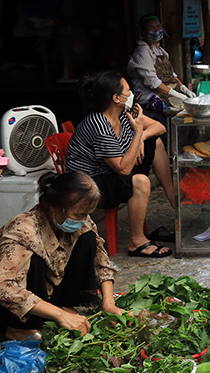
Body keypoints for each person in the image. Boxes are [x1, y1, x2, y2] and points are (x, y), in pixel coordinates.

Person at [0, 171, 124, 340]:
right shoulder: (23, 231)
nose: (83, 219)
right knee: (33, 260)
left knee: (87, 238)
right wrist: (60, 315)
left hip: (48, 291)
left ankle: (63, 306)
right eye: (79, 215)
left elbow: (101, 261)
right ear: (54, 207)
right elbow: (1, 288)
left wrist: (109, 304)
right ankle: (19, 327)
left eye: (87, 214)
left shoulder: (80, 220)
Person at [66, 71, 174, 257]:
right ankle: (136, 241)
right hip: (91, 185)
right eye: (128, 90)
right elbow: (123, 169)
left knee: (154, 142)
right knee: (140, 181)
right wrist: (138, 133)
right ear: (116, 98)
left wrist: (142, 137)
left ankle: (174, 199)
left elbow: (160, 127)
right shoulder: (99, 124)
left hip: (112, 171)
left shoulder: (124, 113)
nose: (132, 93)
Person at [127, 15, 195, 122]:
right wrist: (176, 94)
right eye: (151, 27)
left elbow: (172, 75)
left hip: (164, 94)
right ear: (142, 31)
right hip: (149, 98)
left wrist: (184, 89)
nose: (156, 29)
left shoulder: (161, 51)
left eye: (158, 26)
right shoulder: (142, 51)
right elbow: (152, 82)